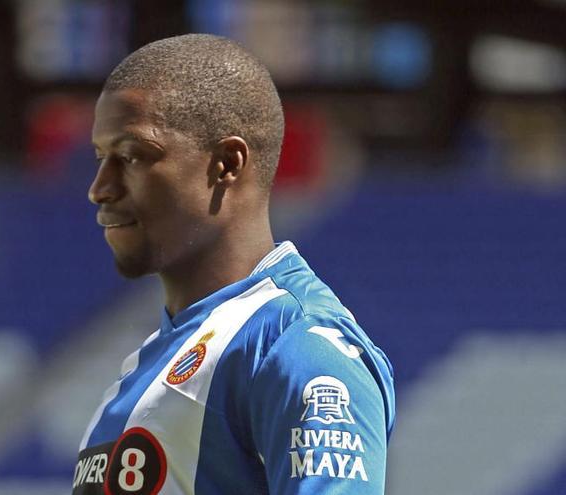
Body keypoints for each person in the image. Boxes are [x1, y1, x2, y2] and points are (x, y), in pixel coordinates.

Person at [74, 34, 395, 495]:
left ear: (227, 163)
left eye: (131, 156)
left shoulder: (296, 347)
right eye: (101, 157)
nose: (100, 187)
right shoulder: (151, 363)